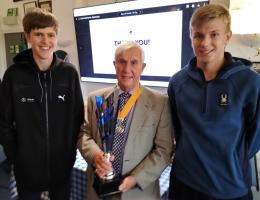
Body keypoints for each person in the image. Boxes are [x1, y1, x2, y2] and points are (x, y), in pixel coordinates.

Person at [167, 4, 260, 200]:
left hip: (230, 189)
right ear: (190, 37)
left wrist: (231, 159)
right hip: (184, 183)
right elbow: (179, 130)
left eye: (214, 34)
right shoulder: (177, 82)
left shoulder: (249, 82)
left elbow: (254, 138)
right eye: (198, 35)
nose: (205, 43)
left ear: (227, 37)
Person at [0, 9, 84, 200]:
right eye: (39, 34)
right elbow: (3, 122)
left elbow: (78, 118)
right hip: (26, 171)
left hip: (61, 168)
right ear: (28, 36)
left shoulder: (69, 74)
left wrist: (69, 153)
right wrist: (16, 156)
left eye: (50, 35)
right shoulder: (13, 75)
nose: (46, 41)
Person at [77, 41, 173, 200]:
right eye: (122, 62)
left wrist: (136, 179)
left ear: (143, 67)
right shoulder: (96, 99)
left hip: (139, 192)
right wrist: (96, 156)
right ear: (115, 65)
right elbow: (84, 135)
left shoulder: (160, 103)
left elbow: (164, 150)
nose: (127, 69)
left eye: (134, 62)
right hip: (99, 190)